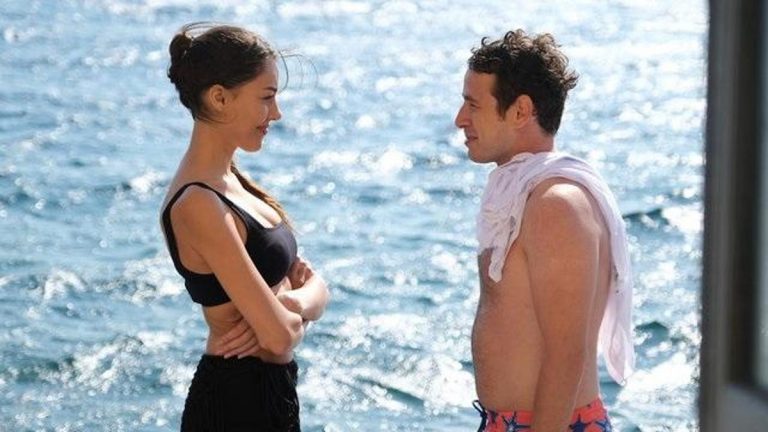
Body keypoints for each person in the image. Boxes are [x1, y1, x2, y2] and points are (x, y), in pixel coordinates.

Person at [454, 30, 634, 432]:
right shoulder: (524, 195)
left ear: (520, 111)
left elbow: (567, 354)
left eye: (473, 105)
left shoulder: (555, 205)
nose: (460, 119)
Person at [160, 23, 330, 431]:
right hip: (234, 405)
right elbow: (279, 337)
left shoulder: (232, 183)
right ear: (220, 97)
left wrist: (293, 305)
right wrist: (291, 311)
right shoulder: (199, 203)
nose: (277, 113)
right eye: (266, 98)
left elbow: (315, 288)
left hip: (269, 394)